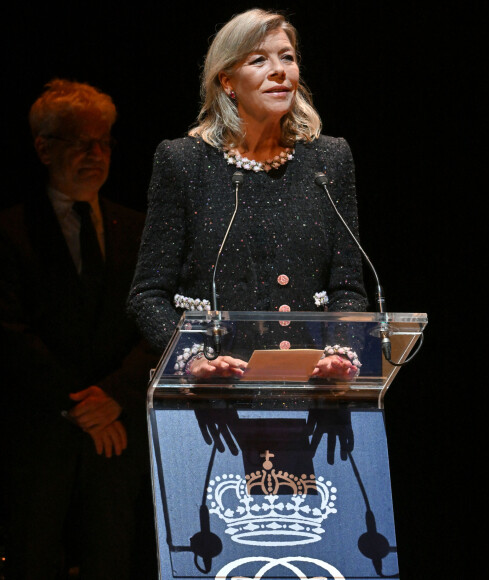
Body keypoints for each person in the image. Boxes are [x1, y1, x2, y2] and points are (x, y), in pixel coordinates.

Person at [127, 8, 368, 380]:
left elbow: (348, 288)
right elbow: (147, 295)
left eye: (287, 57)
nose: (279, 70)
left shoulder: (329, 159)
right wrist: (194, 360)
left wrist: (340, 353)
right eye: (259, 60)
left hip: (312, 390)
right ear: (227, 81)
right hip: (215, 402)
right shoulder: (183, 162)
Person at [0, 79, 157, 579]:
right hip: (39, 439)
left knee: (111, 563)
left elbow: (158, 326)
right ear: (44, 148)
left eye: (104, 142)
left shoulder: (139, 229)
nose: (96, 154)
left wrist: (114, 397)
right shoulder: (9, 232)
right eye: (81, 142)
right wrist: (79, 405)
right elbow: (7, 334)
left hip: (116, 439)